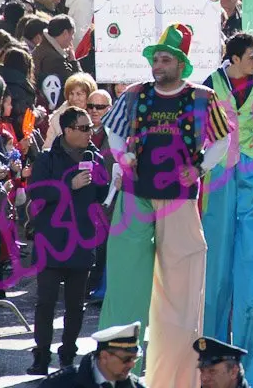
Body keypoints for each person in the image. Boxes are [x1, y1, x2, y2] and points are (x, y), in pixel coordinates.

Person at [99, 23, 231, 387]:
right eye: (155, 58)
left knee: (181, 295)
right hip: (135, 196)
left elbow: (222, 140)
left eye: (165, 59)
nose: (157, 64)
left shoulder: (202, 97)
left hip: (179, 201)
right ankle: (116, 376)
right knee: (126, 287)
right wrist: (121, 154)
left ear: (180, 63)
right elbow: (113, 130)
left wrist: (201, 167)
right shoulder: (134, 94)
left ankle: (173, 380)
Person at [201, 33, 253, 387]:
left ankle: (252, 375)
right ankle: (209, 367)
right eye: (251, 55)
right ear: (232, 58)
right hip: (220, 177)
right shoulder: (209, 85)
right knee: (215, 269)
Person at [26, 105, 109, 374]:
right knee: (46, 303)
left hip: (82, 240)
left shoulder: (94, 156)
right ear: (68, 130)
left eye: (91, 128)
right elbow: (36, 192)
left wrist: (106, 182)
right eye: (84, 128)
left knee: (76, 305)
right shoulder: (47, 158)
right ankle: (40, 356)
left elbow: (100, 196)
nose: (90, 133)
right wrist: (68, 186)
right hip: (50, 240)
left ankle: (67, 355)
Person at [39, 322, 146, 388]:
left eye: (135, 358)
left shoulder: (136, 386)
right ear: (104, 357)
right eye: (126, 359)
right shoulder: (58, 384)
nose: (132, 365)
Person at [33, 15, 82, 111]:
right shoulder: (54, 58)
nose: (72, 39)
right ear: (65, 33)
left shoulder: (41, 48)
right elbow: (77, 83)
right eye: (72, 34)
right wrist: (73, 61)